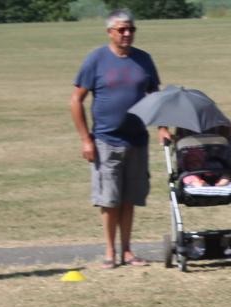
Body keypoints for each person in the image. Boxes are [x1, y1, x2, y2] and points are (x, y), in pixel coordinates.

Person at [70, 9, 161, 269]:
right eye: (121, 30)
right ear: (110, 32)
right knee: (110, 200)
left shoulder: (144, 59)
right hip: (106, 140)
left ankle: (128, 251)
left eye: (131, 29)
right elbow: (76, 100)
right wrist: (85, 139)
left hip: (137, 140)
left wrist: (162, 128)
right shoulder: (96, 59)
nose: (127, 34)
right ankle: (110, 252)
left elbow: (155, 96)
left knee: (130, 198)